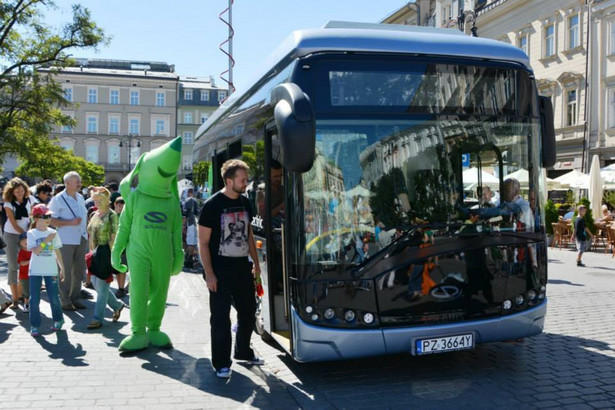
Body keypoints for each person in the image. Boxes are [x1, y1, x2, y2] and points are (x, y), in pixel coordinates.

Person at [198, 159, 264, 379]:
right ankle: (221, 363)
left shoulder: (245, 202)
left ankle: (243, 351)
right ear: (229, 180)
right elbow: (203, 243)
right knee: (220, 318)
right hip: (219, 270)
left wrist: (255, 263)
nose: (246, 183)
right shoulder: (212, 205)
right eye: (242, 179)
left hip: (242, 268)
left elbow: (249, 234)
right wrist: (209, 274)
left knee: (248, 312)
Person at [48, 171, 89, 311]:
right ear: (67, 183)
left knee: (78, 271)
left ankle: (75, 298)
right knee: (64, 271)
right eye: (76, 181)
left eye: (79, 180)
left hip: (81, 238)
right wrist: (70, 222)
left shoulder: (80, 197)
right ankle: (64, 300)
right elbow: (50, 220)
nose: (79, 183)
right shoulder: (58, 199)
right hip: (65, 239)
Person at [86, 187, 125, 329]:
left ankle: (97, 319)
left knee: (102, 287)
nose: (96, 203)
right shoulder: (94, 214)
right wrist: (91, 253)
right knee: (97, 285)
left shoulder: (112, 215)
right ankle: (117, 305)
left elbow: (114, 237)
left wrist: (113, 257)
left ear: (108, 200)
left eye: (100, 200)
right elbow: (90, 233)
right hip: (94, 253)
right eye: (95, 200)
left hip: (106, 254)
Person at [27, 204, 65, 337]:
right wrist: (47, 240)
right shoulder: (31, 233)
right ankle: (34, 325)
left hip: (51, 270)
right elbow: (36, 251)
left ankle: (58, 319)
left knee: (54, 298)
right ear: (36, 219)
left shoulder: (53, 232)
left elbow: (57, 251)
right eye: (45, 216)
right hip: (35, 271)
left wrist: (62, 268)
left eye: (49, 216)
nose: (49, 218)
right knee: (34, 300)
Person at [2, 177, 34, 308]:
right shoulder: (8, 203)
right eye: (17, 191)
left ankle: (22, 294)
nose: (20, 193)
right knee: (13, 265)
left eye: (21, 190)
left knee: (25, 264)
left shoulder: (31, 200)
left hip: (25, 234)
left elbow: (33, 217)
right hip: (11, 234)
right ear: (12, 192)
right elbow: (13, 223)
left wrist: (31, 231)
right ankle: (14, 297)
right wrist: (25, 235)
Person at [112, 196, 128, 298]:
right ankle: (120, 286)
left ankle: (121, 288)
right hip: (112, 245)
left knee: (122, 268)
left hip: (123, 246)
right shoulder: (111, 216)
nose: (120, 208)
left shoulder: (127, 216)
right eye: (119, 205)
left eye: (123, 206)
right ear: (115, 205)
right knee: (116, 269)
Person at [183, 188, 200, 269]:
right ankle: (190, 258)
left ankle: (189, 259)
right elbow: (198, 212)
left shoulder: (187, 201)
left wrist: (183, 226)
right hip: (196, 223)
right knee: (193, 242)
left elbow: (184, 214)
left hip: (190, 223)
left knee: (190, 242)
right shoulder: (195, 201)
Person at [17, 232, 32, 312]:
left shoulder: (34, 250)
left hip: (33, 274)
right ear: (20, 243)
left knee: (34, 291)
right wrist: (31, 260)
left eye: (28, 240)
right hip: (24, 276)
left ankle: (33, 305)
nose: (26, 242)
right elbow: (22, 263)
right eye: (23, 241)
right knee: (26, 292)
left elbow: (43, 246)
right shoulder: (21, 252)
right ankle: (26, 305)